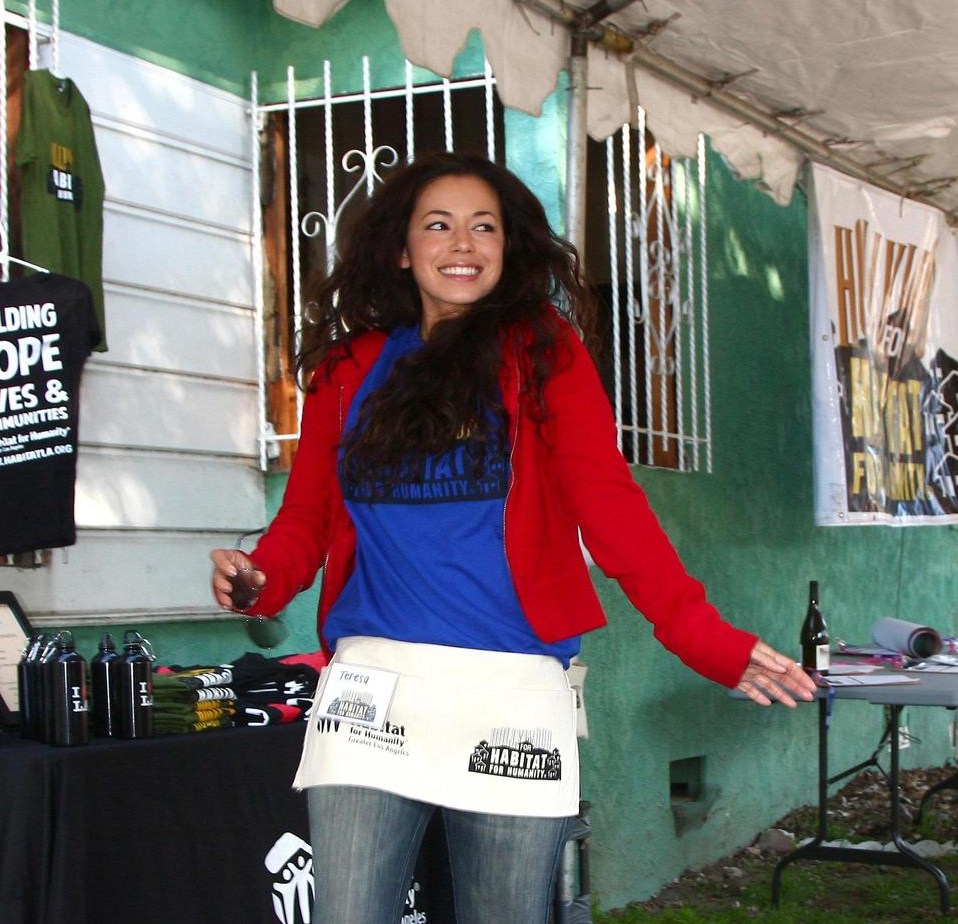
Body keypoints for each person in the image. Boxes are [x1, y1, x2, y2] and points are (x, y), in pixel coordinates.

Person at [210, 152, 815, 923]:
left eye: (483, 226)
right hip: (372, 690)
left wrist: (702, 637)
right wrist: (261, 574)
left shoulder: (543, 352)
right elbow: (308, 519)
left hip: (513, 695)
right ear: (401, 248)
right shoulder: (349, 368)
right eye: (439, 224)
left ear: (508, 246)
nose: (462, 242)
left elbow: (611, 505)